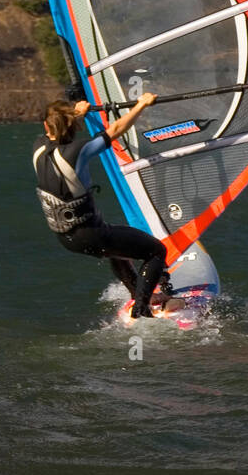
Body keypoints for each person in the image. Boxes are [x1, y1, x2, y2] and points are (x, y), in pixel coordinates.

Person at [32, 93, 172, 318]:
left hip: (66, 239)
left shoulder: (37, 147)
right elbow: (116, 129)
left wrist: (76, 114)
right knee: (156, 251)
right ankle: (142, 308)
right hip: (92, 234)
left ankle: (138, 295)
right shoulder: (78, 150)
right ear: (72, 126)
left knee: (116, 250)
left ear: (46, 126)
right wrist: (141, 104)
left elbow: (54, 132)